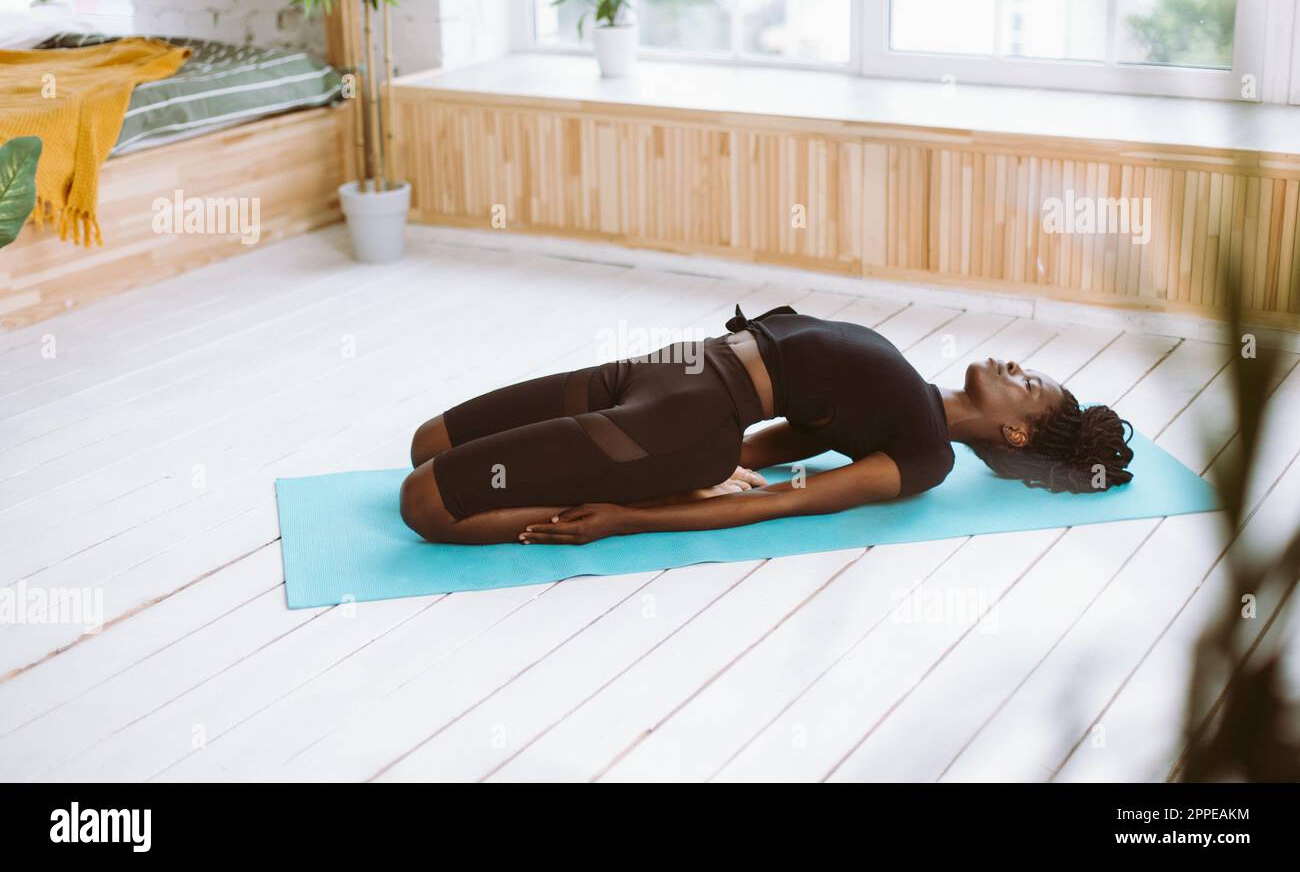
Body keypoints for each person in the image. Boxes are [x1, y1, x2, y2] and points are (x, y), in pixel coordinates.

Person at [399, 305, 1134, 545]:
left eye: (1029, 385)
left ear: (1017, 435)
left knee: (423, 502)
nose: (1015, 364)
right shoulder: (899, 394)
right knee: (427, 443)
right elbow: (765, 450)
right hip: (663, 369)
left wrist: (629, 514)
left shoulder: (923, 456)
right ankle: (656, 482)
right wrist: (718, 465)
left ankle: (565, 513)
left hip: (678, 421)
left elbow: (789, 499)